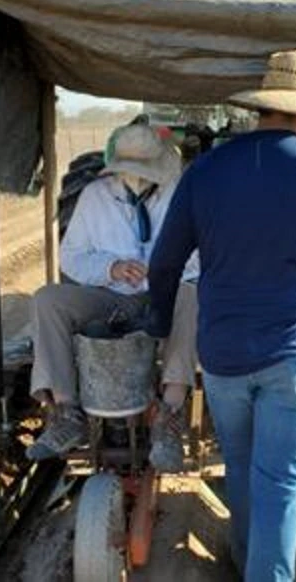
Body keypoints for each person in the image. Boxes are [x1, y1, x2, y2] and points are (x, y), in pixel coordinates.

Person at [147, 50, 296, 582]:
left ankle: (244, 557)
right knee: (280, 483)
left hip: (226, 355)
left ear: (261, 109)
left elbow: (163, 264)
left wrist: (160, 326)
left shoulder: (205, 170)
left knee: (242, 469)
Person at [27, 123, 199, 472]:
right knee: (47, 299)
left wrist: (160, 269)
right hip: (111, 295)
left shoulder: (182, 195)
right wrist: (112, 267)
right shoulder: (94, 196)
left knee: (192, 295)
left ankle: (170, 415)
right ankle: (66, 412)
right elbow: (71, 256)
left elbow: (201, 255)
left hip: (166, 293)